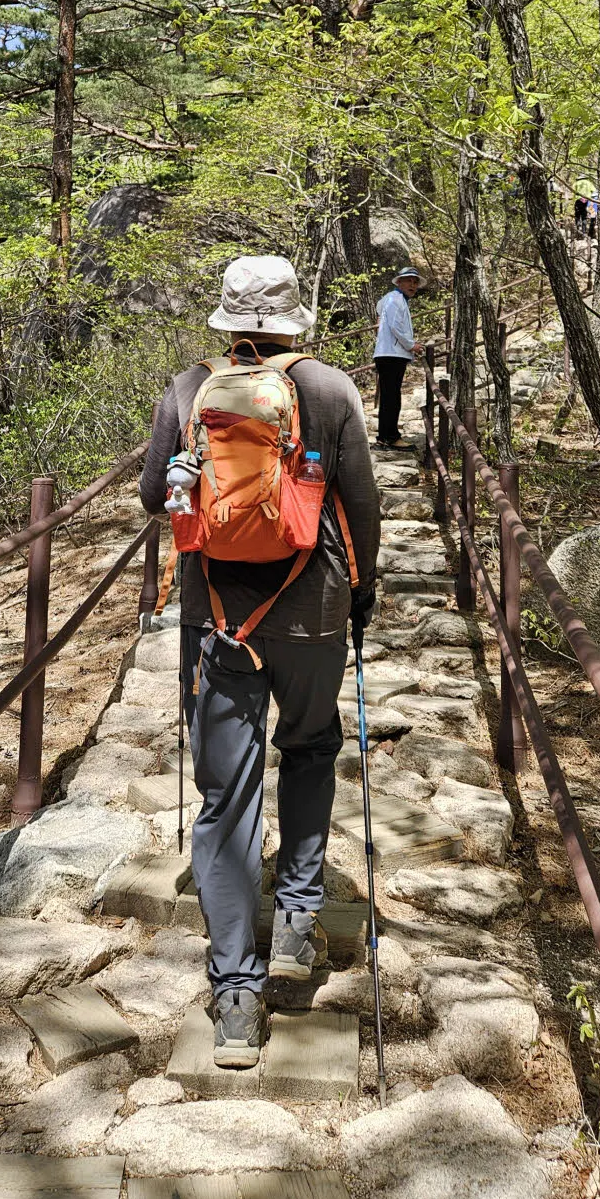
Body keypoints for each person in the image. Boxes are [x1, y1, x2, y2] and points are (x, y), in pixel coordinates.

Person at [139, 255, 380, 1070]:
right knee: (310, 751)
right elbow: (362, 503)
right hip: (311, 612)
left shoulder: (189, 388)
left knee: (226, 796)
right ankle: (300, 924)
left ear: (229, 319)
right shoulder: (331, 389)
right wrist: (362, 591)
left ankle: (236, 996)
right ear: (291, 319)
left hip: (219, 622)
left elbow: (150, 494)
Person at [372, 265, 421, 448]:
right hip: (392, 354)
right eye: (409, 280)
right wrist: (411, 345)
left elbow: (379, 308)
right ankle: (390, 437)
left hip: (390, 353)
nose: (413, 285)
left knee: (389, 396)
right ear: (399, 282)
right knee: (391, 397)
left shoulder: (393, 298)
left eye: (415, 282)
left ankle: (386, 435)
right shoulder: (395, 299)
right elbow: (396, 326)